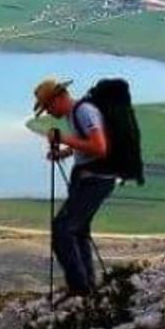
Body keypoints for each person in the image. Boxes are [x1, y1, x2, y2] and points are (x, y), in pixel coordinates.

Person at [34, 77, 115, 300]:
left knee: (62, 229)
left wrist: (64, 139)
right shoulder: (75, 114)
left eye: (48, 106)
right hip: (91, 178)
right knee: (78, 230)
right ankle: (87, 285)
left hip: (96, 180)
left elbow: (100, 147)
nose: (48, 112)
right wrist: (64, 153)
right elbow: (86, 142)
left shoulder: (83, 112)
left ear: (59, 98)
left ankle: (80, 289)